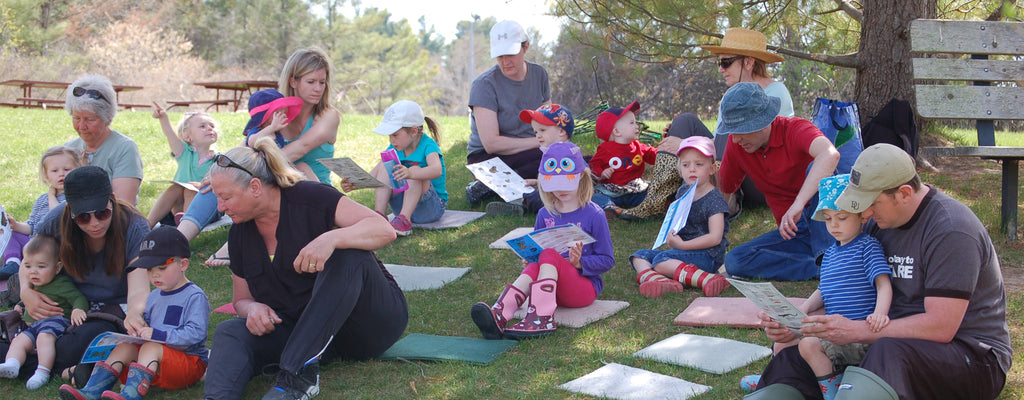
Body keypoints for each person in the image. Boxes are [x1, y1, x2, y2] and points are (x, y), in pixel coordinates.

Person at [749, 144, 1011, 400]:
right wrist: (798, 325)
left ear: (905, 193)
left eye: (872, 203)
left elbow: (941, 327)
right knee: (797, 356)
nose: (866, 213)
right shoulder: (878, 224)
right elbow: (847, 293)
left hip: (972, 358)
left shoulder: (951, 230)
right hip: (886, 342)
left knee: (887, 351)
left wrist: (858, 331)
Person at [202, 139, 407, 400]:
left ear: (255, 187)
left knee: (348, 253)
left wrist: (330, 239)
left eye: (226, 197)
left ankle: (297, 377)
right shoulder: (239, 234)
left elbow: (384, 229)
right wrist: (252, 309)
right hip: (302, 331)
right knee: (229, 331)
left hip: (367, 325)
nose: (220, 207)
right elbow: (241, 299)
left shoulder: (310, 197)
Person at [742, 174, 893, 399]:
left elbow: (883, 284)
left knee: (809, 345)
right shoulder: (830, 253)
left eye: (842, 217)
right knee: (784, 340)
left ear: (862, 216)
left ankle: (831, 393)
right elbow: (824, 289)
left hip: (856, 334)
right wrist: (801, 311)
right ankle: (771, 378)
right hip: (830, 331)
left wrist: (880, 314)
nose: (834, 225)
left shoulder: (867, 247)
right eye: (829, 218)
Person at [0, 165, 151, 387]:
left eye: (102, 213)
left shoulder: (134, 225)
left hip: (108, 312)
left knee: (86, 341)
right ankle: (62, 367)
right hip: (63, 308)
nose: (94, 223)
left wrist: (135, 315)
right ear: (70, 210)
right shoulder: (56, 220)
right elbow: (29, 260)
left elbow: (138, 287)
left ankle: (31, 362)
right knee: (33, 333)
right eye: (83, 217)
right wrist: (26, 291)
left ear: (112, 199)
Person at [619, 27, 793, 220]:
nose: (721, 69)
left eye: (726, 62)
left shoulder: (776, 92)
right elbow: (720, 142)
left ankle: (724, 203)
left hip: (762, 180)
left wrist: (687, 144)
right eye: (720, 63)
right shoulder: (731, 95)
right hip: (733, 168)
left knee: (734, 129)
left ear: (749, 62)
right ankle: (657, 202)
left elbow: (753, 145)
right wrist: (686, 138)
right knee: (685, 121)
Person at [470, 142, 614, 340]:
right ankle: (500, 313)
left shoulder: (594, 214)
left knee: (548, 255)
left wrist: (579, 262)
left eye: (566, 183)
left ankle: (540, 318)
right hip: (552, 290)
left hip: (584, 288)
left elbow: (607, 259)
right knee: (540, 259)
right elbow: (538, 251)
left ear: (581, 175)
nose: (560, 191)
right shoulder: (545, 213)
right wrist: (530, 260)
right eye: (554, 185)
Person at [59, 226, 209, 400]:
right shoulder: (153, 297)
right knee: (124, 347)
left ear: (183, 264)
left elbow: (196, 333)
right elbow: (149, 327)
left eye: (161, 268)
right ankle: (92, 391)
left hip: (189, 364)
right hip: (158, 365)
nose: (154, 276)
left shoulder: (194, 296)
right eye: (149, 270)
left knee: (151, 346)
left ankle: (130, 395)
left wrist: (158, 335)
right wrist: (138, 330)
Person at [717, 82, 838, 281]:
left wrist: (798, 204)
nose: (735, 138)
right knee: (735, 261)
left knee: (819, 171)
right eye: (732, 131)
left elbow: (830, 155)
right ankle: (822, 268)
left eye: (740, 130)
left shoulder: (795, 128)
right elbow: (724, 190)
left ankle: (829, 258)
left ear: (762, 123)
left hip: (826, 224)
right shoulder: (736, 145)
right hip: (792, 232)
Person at [627, 136, 730, 299]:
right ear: (680, 168)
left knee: (661, 260)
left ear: (712, 168)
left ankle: (707, 279)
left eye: (699, 164)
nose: (692, 169)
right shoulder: (683, 191)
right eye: (686, 165)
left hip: (707, 256)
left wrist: (683, 245)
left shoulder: (714, 199)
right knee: (639, 256)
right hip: (683, 251)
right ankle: (660, 281)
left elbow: (715, 238)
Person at [465, 20, 550, 208]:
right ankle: (506, 188)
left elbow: (548, 122)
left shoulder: (539, 75)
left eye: (511, 54)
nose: (505, 61)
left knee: (573, 160)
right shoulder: (484, 85)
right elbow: (491, 143)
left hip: (531, 150)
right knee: (553, 163)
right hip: (489, 156)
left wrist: (552, 141)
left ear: (525, 47)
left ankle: (506, 190)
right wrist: (543, 141)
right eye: (500, 55)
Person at [342, 100, 446, 236]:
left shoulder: (428, 145)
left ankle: (405, 221)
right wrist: (356, 183)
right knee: (385, 165)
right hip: (401, 204)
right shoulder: (395, 148)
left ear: (414, 131)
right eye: (390, 136)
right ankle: (379, 215)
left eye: (395, 135)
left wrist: (411, 173)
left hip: (430, 208)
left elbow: (436, 170)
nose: (392, 140)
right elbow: (375, 174)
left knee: (414, 172)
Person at [0, 235, 87, 390]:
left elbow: (78, 298)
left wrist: (78, 309)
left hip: (55, 321)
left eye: (41, 267)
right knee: (19, 341)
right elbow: (30, 300)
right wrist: (20, 305)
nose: (33, 272)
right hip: (34, 325)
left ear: (57, 267)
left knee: (43, 338)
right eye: (27, 266)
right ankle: (12, 364)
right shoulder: (33, 285)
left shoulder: (61, 284)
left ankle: (43, 371)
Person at [2, 146, 82, 279]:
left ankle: (22, 271)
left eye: (67, 169)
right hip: (33, 243)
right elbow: (31, 226)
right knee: (12, 233)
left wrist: (51, 195)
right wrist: (15, 225)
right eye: (55, 171)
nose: (61, 174)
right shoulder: (41, 200)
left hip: (53, 247)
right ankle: (13, 264)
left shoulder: (75, 197)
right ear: (46, 175)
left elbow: (58, 218)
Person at [63, 75, 144, 206]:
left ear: (107, 118)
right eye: (77, 118)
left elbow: (123, 205)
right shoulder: (68, 150)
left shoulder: (124, 148)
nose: (82, 126)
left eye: (90, 119)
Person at [488, 104, 575, 216]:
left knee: (538, 197)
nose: (538, 136)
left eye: (542, 130)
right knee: (536, 194)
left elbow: (572, 181)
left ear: (562, 132)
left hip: (566, 197)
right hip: (555, 193)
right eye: (536, 132)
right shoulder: (550, 153)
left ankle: (521, 205)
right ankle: (521, 203)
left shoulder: (568, 154)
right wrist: (538, 182)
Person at [146, 105, 219, 228]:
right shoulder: (184, 153)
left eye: (212, 126)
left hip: (206, 208)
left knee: (190, 189)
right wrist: (163, 118)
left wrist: (200, 185)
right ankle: (146, 224)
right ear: (187, 136)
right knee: (175, 188)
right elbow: (170, 135)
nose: (209, 129)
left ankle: (186, 225)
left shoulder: (218, 160)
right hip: (178, 208)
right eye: (202, 126)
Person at [589, 101, 658, 216]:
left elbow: (653, 155)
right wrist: (601, 173)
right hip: (611, 191)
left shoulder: (637, 146)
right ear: (617, 132)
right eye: (632, 123)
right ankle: (610, 209)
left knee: (651, 193)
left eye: (635, 122)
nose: (636, 126)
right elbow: (593, 165)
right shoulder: (605, 149)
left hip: (634, 190)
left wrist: (663, 152)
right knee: (596, 197)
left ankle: (652, 206)